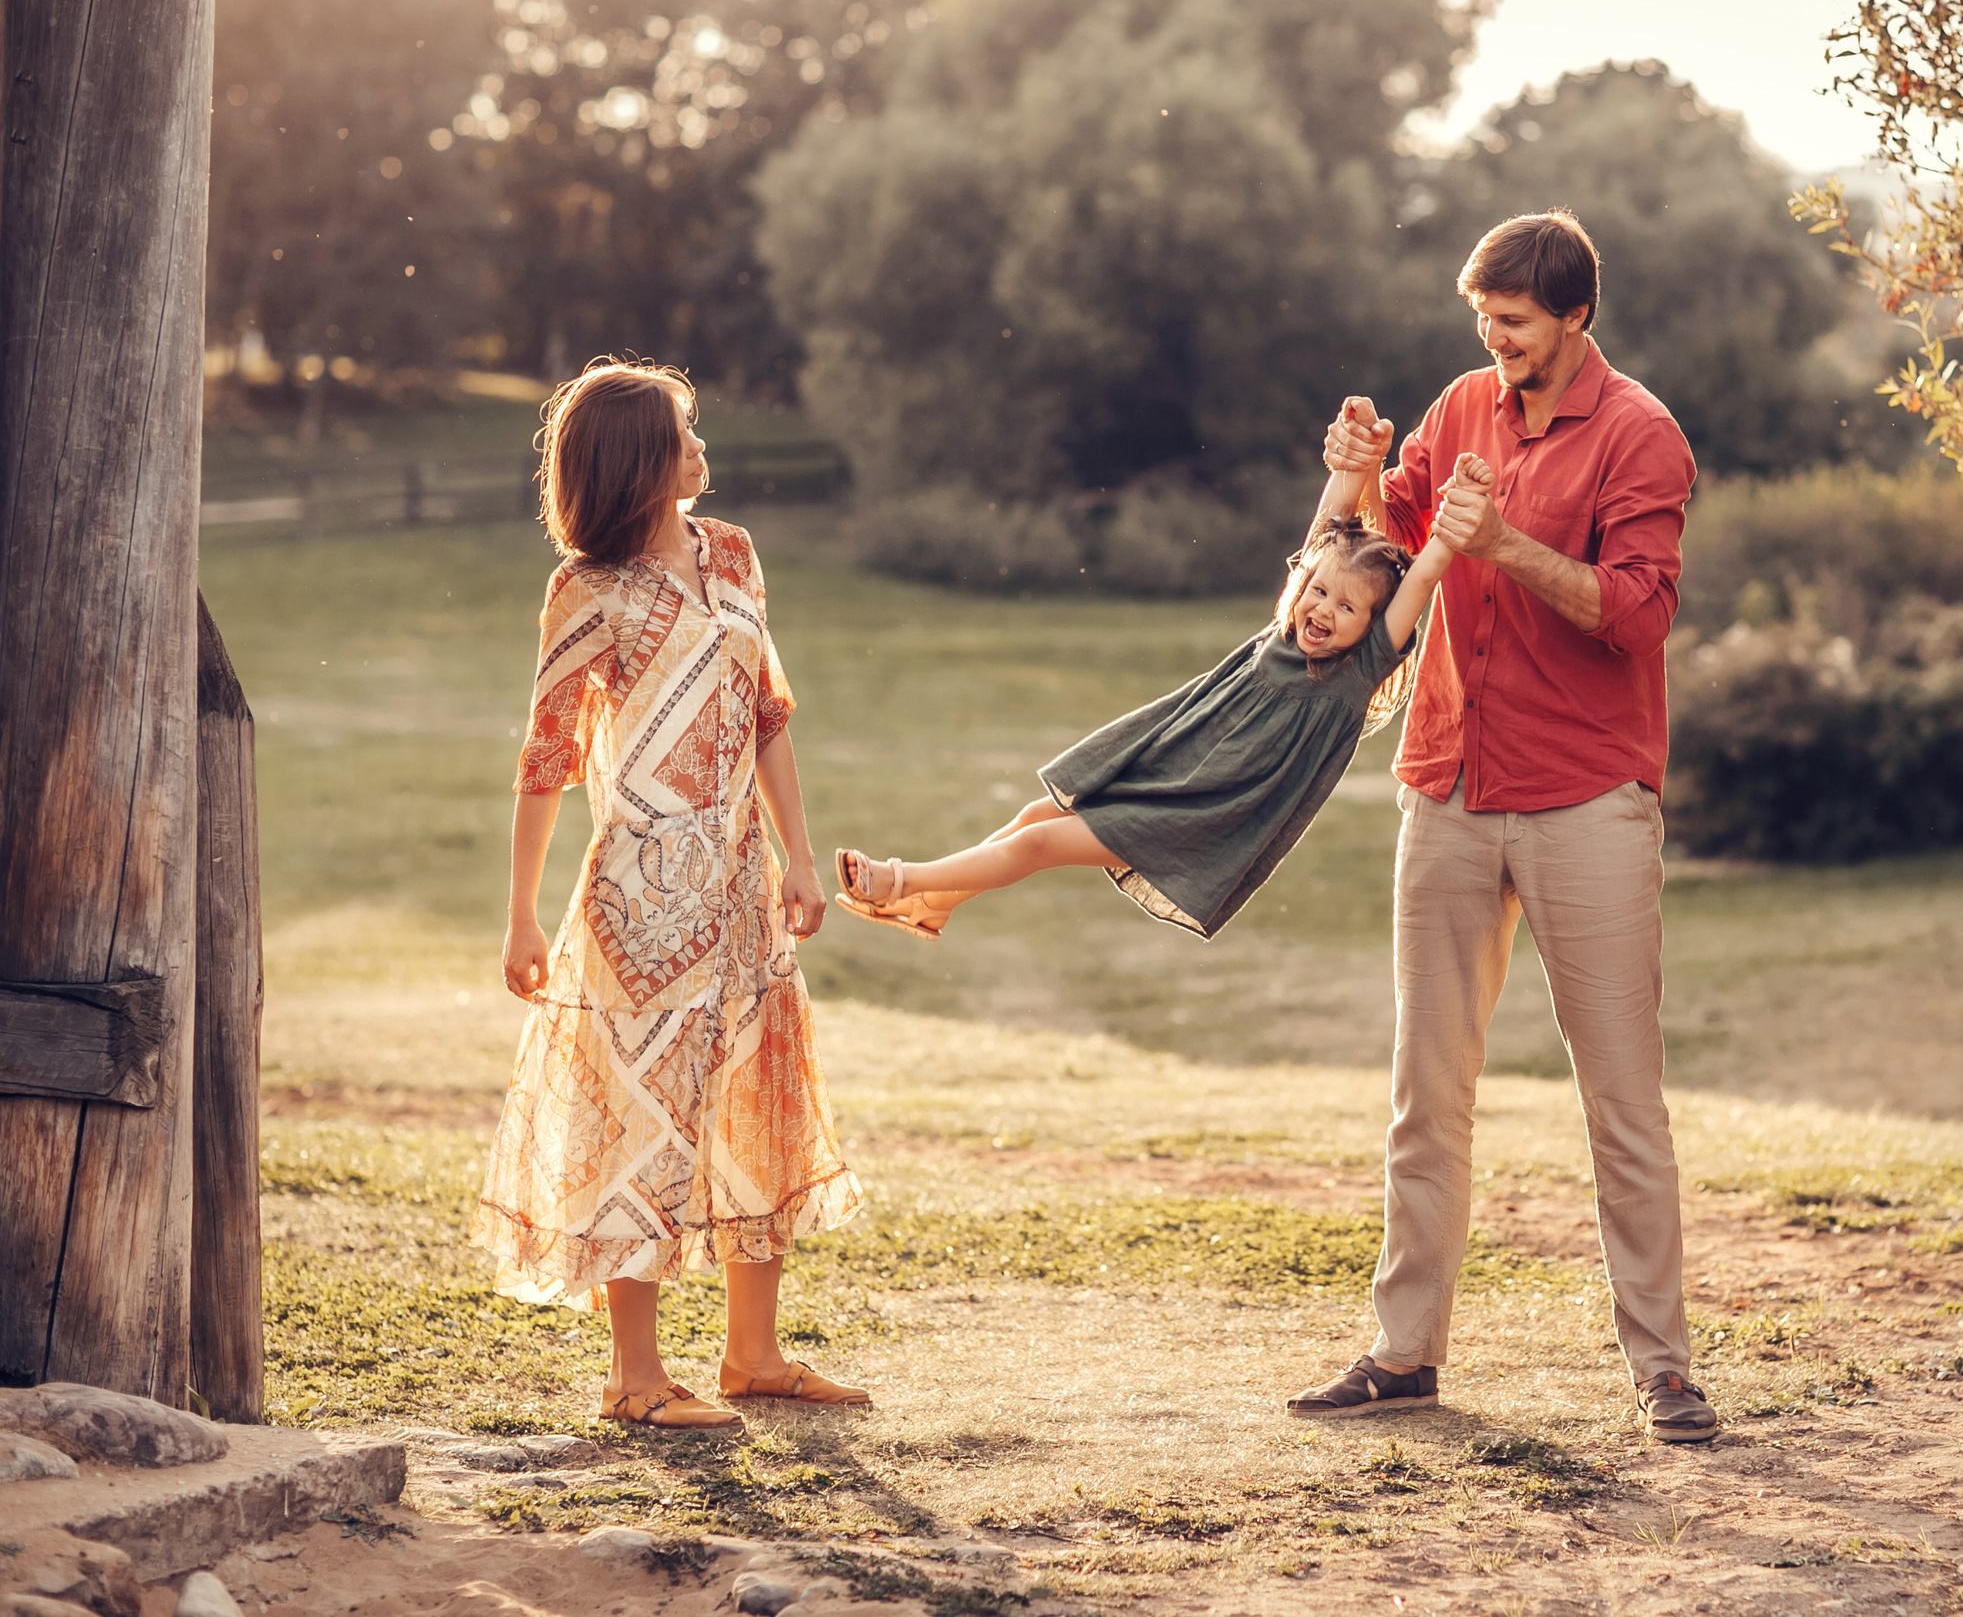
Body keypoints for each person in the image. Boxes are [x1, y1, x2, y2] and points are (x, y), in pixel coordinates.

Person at [1284, 210, 1718, 1443]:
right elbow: (1375, 551)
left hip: (1586, 797)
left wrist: (1507, 546)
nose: (1493, 339)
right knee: (1427, 1093)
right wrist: (1359, 469)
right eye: (1482, 317)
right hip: (1447, 787)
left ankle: (1663, 1369)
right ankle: (1402, 1355)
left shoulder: (1640, 435)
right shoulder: (1463, 402)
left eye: (1514, 321)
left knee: (1621, 1099)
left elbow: (1635, 617)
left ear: (1575, 315)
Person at [472, 359, 868, 1431]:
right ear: (639, 460)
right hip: (639, 893)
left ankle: (754, 1355)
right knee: (639, 1114)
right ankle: (634, 1378)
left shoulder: (730, 550)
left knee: (758, 1095)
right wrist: (519, 914)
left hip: (741, 879)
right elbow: (545, 755)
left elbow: (770, 713)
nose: (703, 445)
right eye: (684, 431)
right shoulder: (586, 592)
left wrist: (796, 854)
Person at [832, 464, 1473, 942]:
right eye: (1320, 592)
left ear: (1376, 626)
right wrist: (1344, 465)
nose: (1324, 612)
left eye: (1348, 607)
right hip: (1169, 776)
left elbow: (1421, 578)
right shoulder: (1281, 634)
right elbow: (1326, 528)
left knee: (1037, 846)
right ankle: (939, 904)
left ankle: (903, 880)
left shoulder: (1353, 677)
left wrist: (1457, 519)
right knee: (1035, 817)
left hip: (1204, 812)